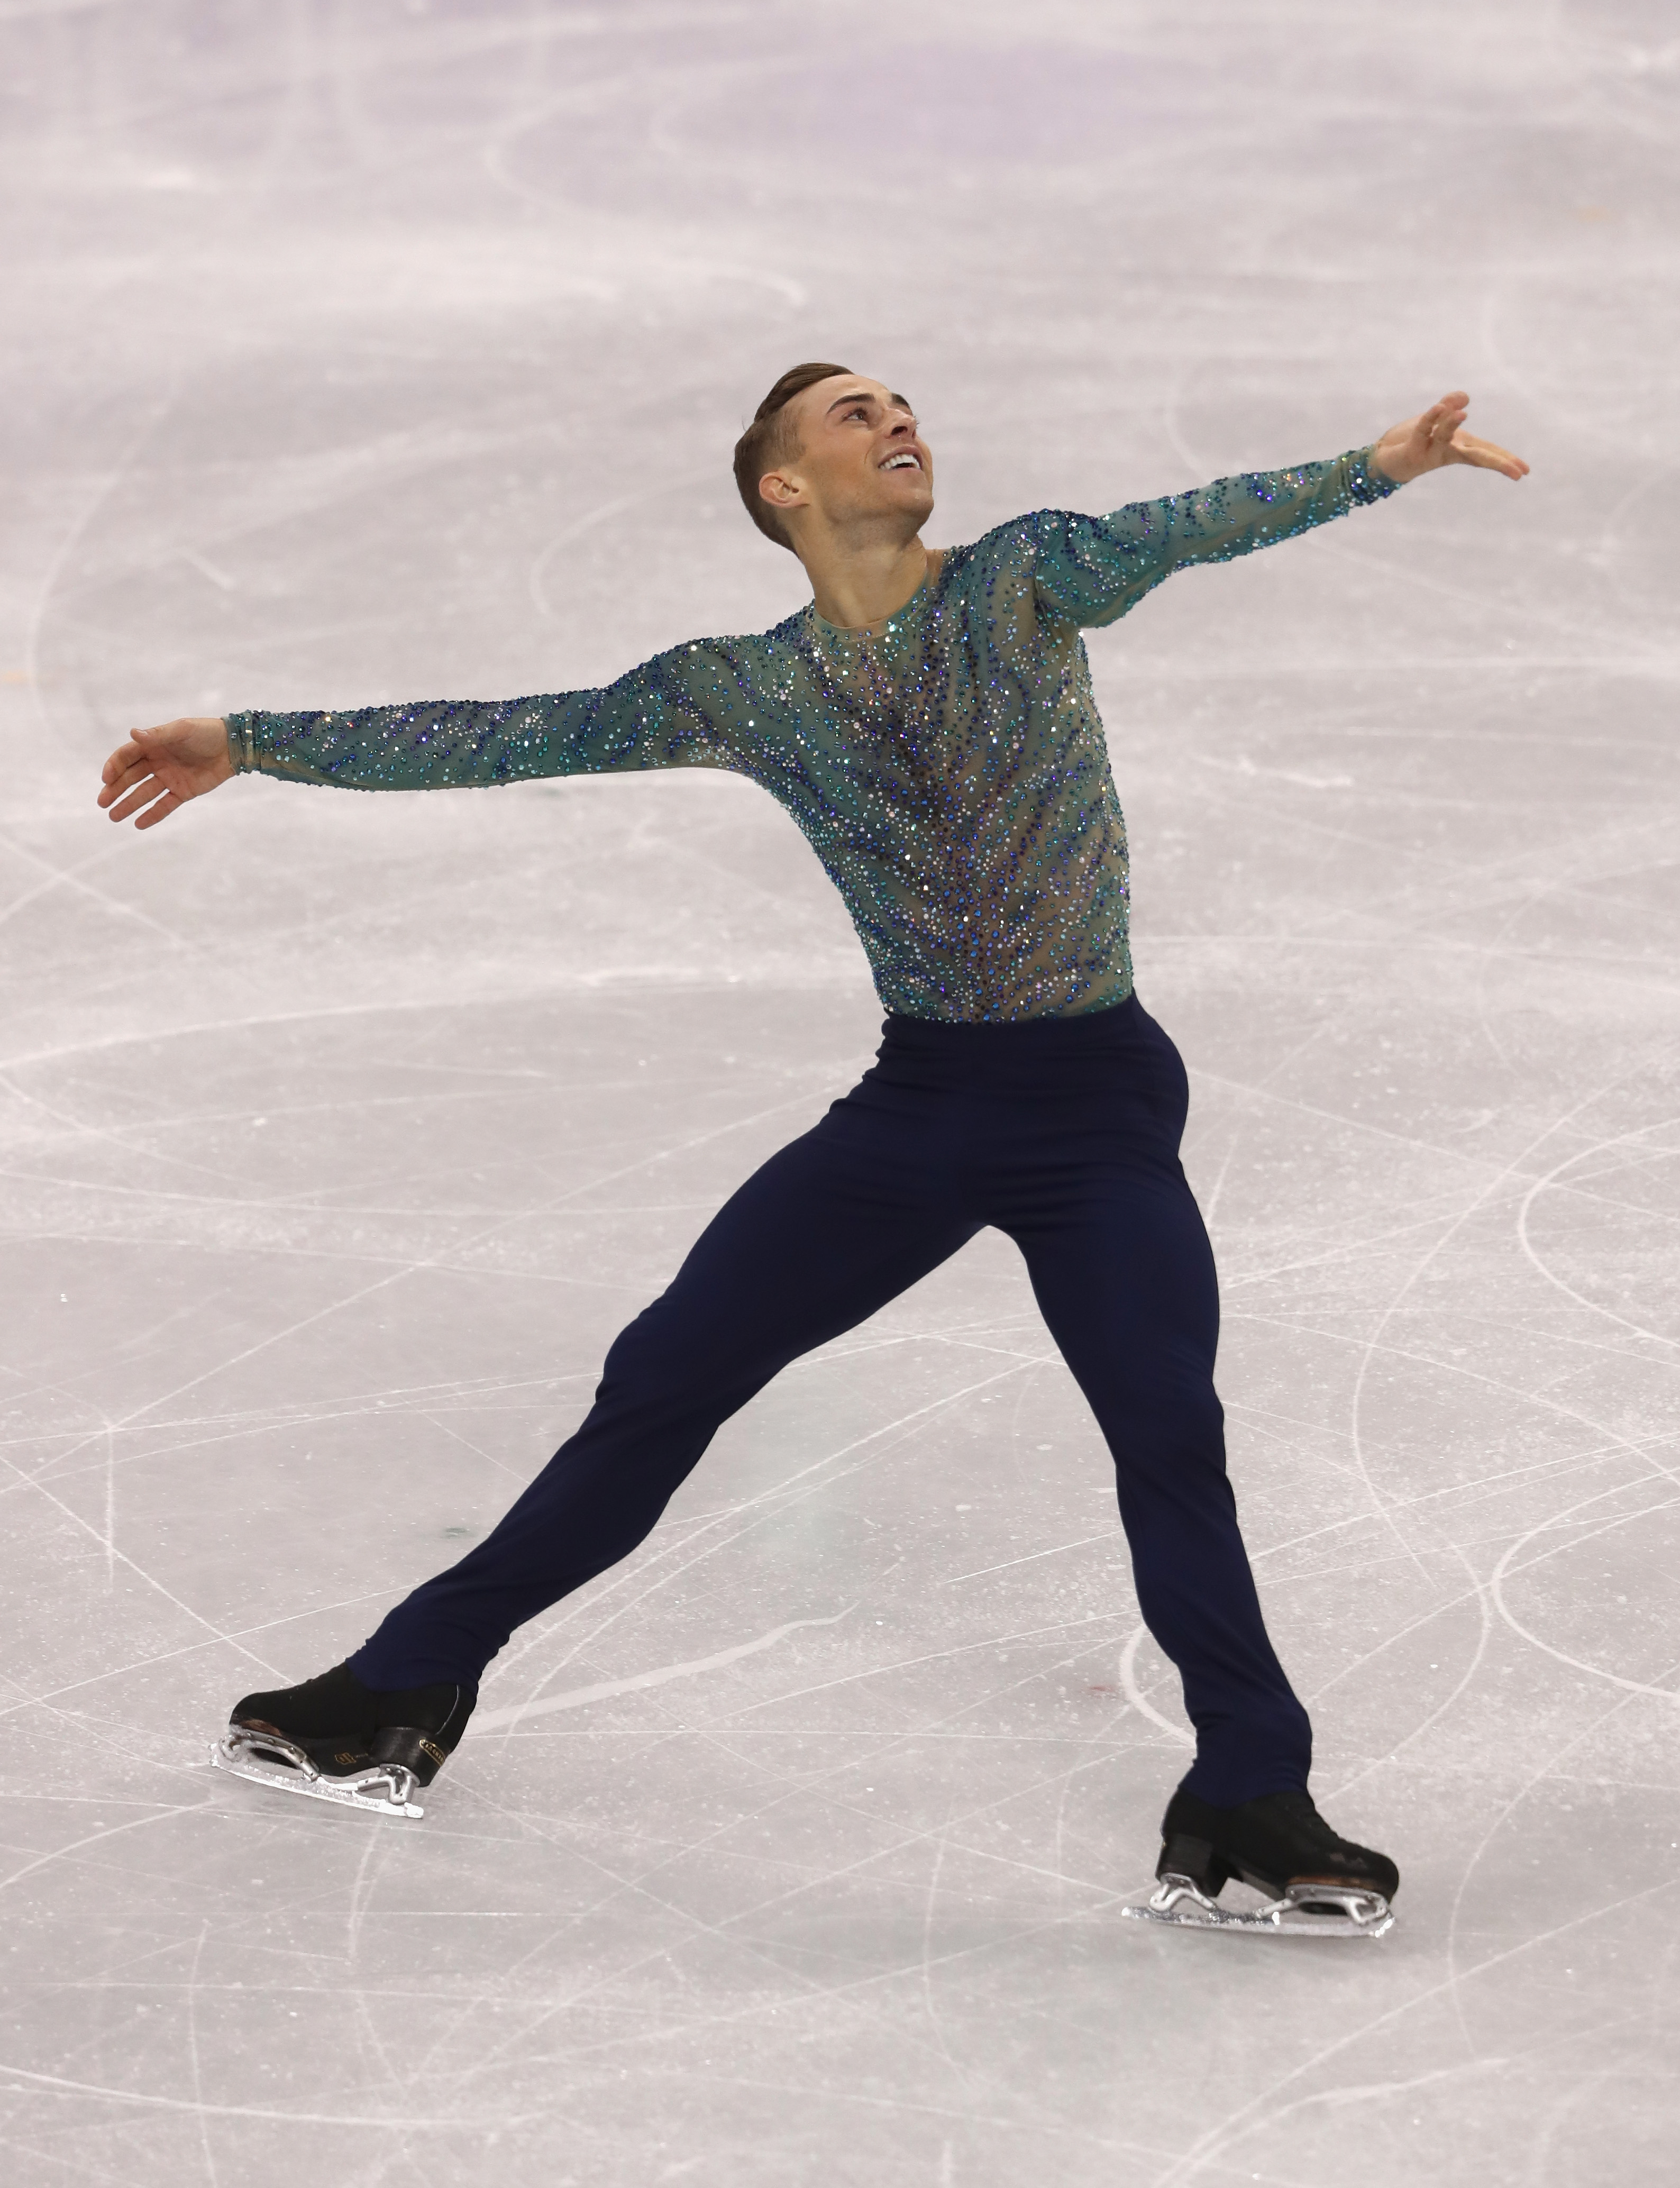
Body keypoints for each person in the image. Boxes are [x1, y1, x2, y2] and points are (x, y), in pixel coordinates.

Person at [98, 364, 1526, 1932]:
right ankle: (402, 1682)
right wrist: (250, 741)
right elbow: (514, 735)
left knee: (1168, 1437)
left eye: (902, 403)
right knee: (662, 1381)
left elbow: (1186, 526)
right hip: (918, 1115)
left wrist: (1380, 465)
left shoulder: (1027, 580)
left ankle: (1252, 1793)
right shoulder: (746, 686)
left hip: (1094, 1107)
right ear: (782, 487)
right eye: (851, 413)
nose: (898, 420)